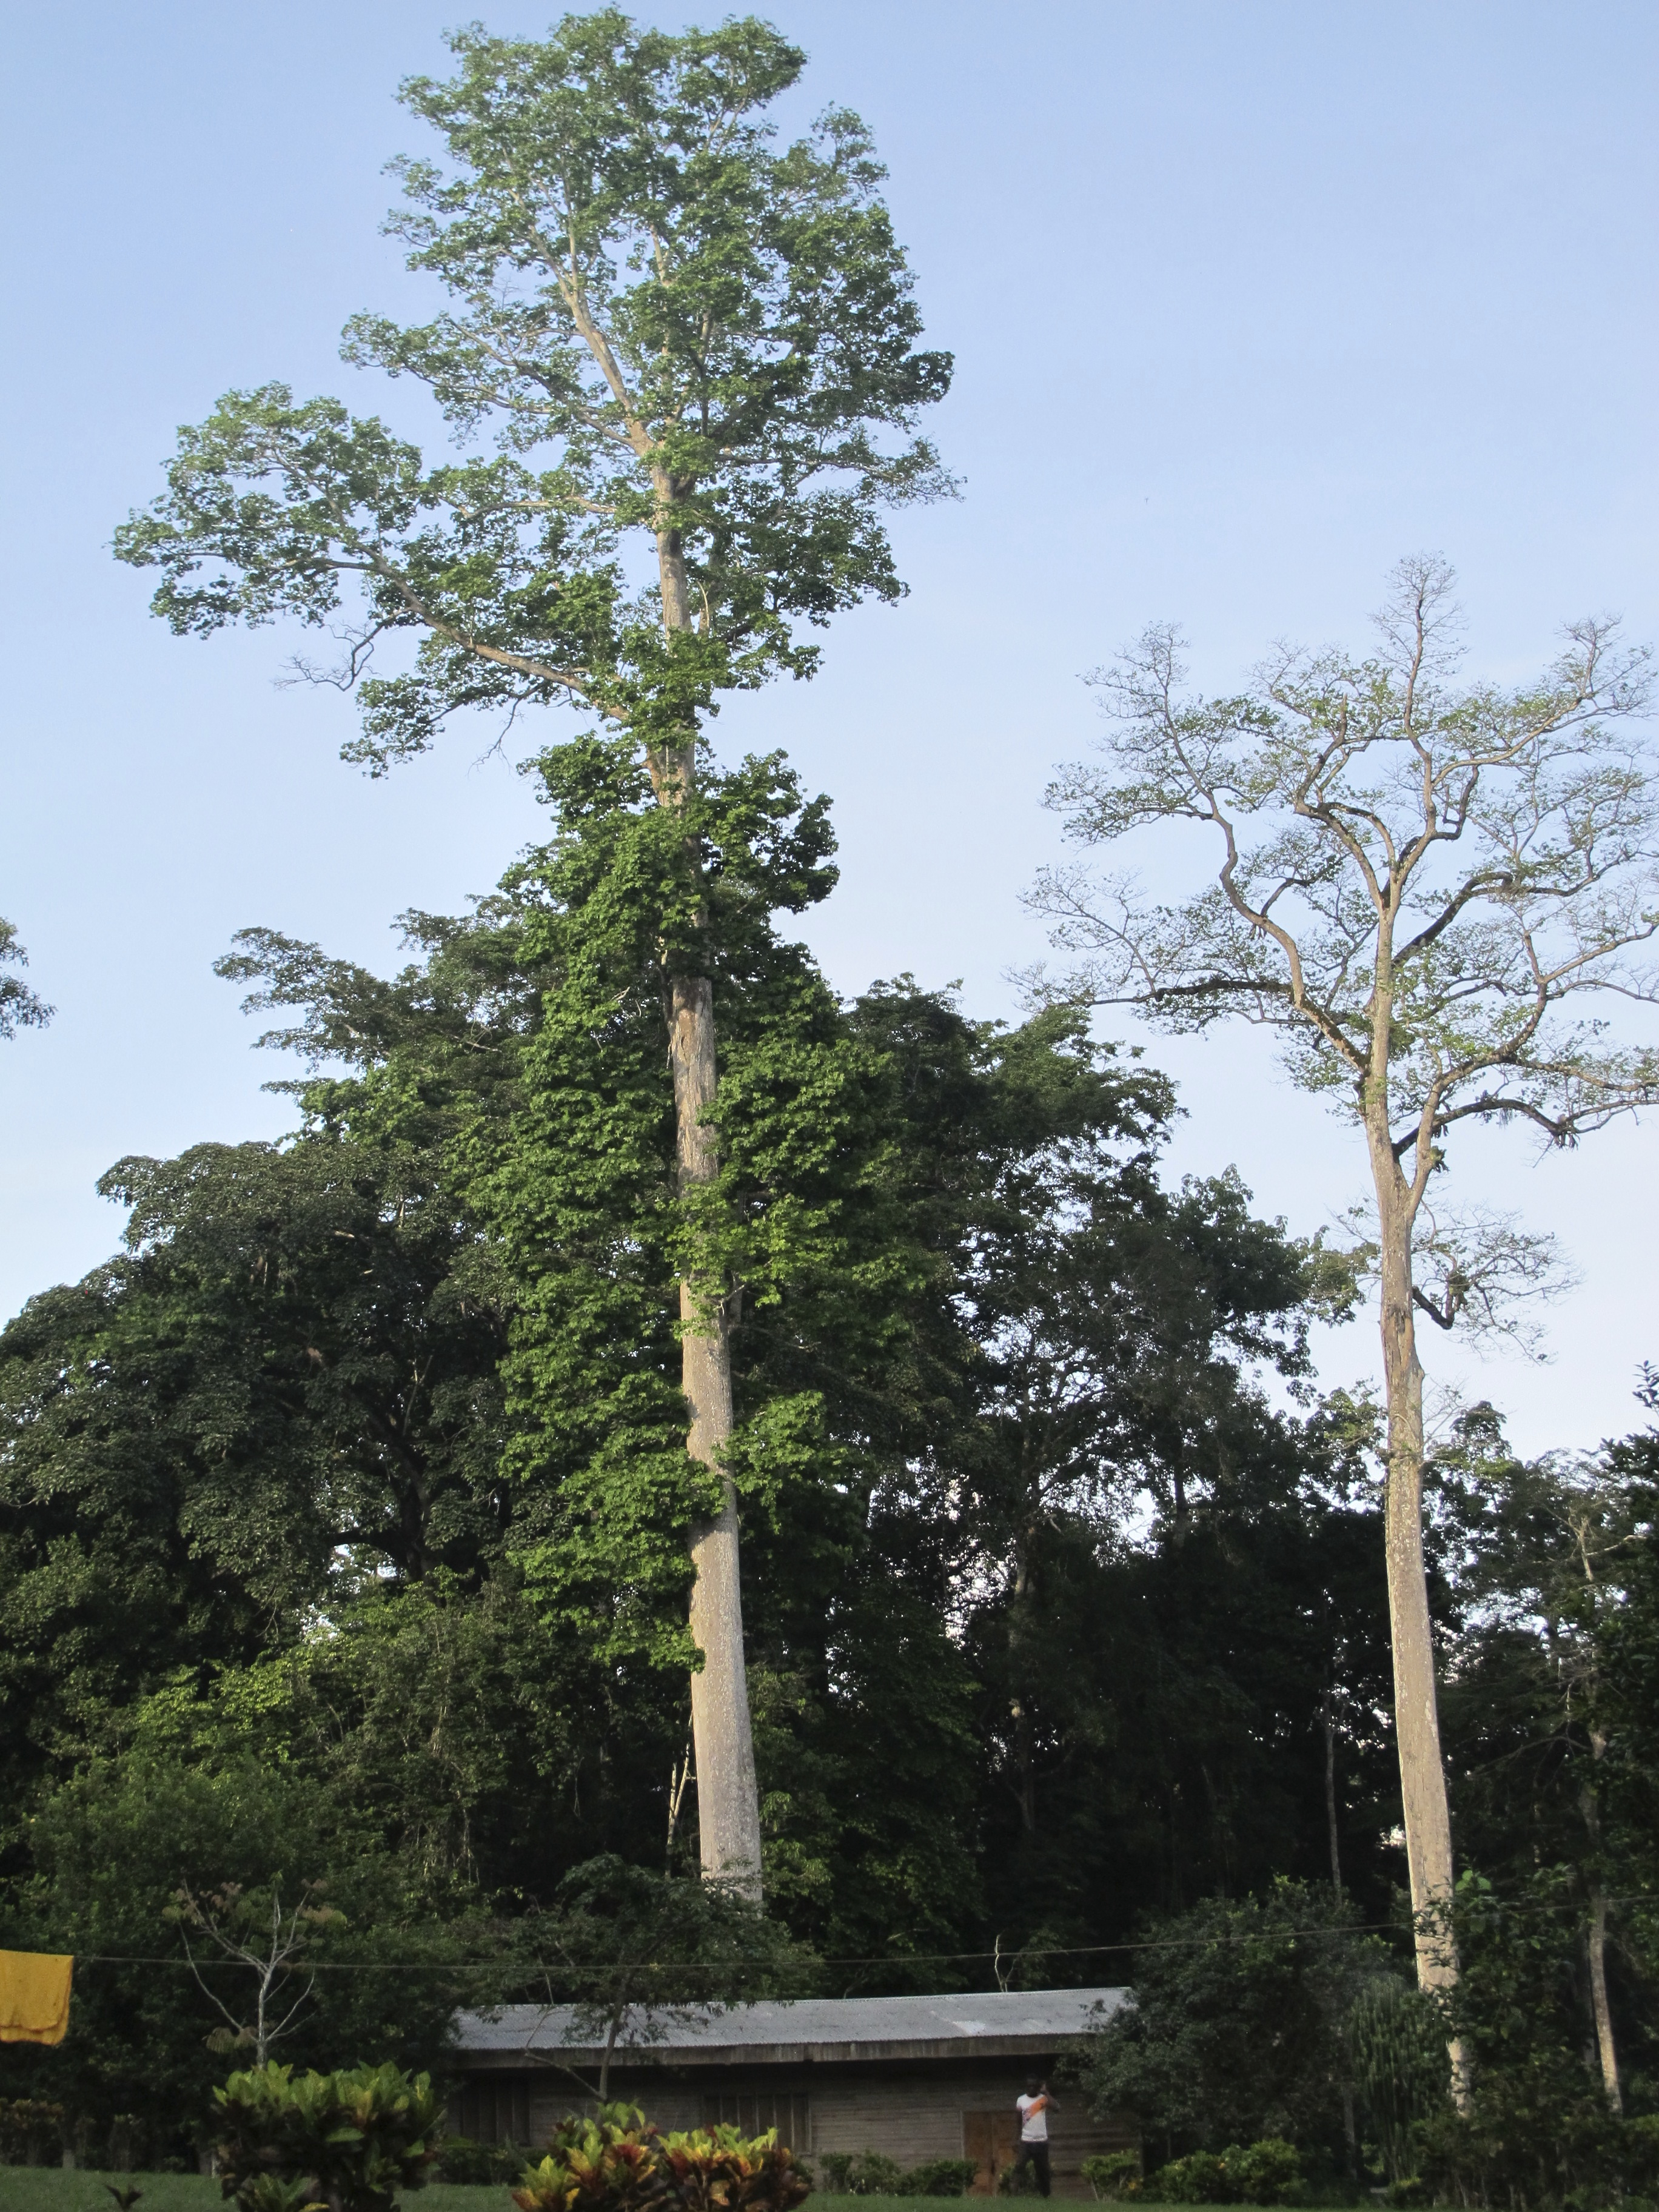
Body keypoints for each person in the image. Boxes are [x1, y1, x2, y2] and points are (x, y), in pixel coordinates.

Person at [1013, 2077, 1057, 2198]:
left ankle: (1046, 2196)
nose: (1031, 2088)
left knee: (1043, 2171)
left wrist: (1046, 2092)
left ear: (1038, 2087)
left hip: (1041, 2141)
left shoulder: (1043, 2099)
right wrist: (1017, 2138)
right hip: (1026, 2141)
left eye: (1034, 2086)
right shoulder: (1021, 2100)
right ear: (1026, 2087)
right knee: (1019, 2167)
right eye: (1029, 2086)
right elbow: (1018, 2121)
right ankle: (1013, 2195)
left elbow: (1057, 2108)